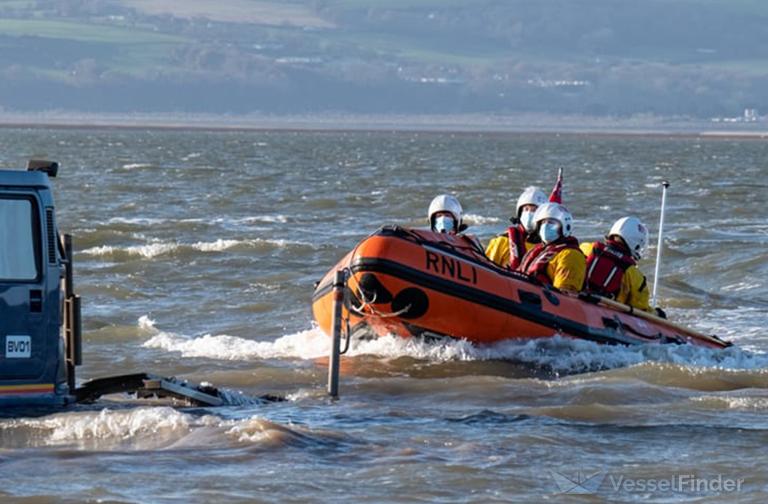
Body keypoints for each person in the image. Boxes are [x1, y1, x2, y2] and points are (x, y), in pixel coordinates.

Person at [580, 216, 652, 312]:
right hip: (606, 315)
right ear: (636, 244)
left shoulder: (586, 248)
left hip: (574, 302)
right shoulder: (634, 275)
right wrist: (657, 313)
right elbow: (641, 309)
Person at [518, 202, 585, 291]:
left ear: (564, 227)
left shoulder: (570, 255)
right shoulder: (537, 250)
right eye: (543, 222)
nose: (545, 226)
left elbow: (565, 295)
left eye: (551, 222)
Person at [485, 186, 548, 269]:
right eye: (526, 209)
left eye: (534, 210)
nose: (529, 213)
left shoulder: (549, 249)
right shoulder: (502, 242)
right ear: (520, 213)